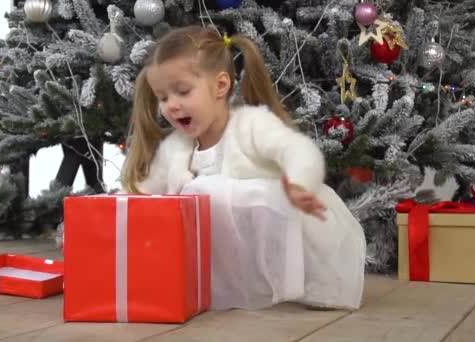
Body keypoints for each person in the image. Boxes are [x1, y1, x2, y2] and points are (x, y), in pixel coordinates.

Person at [121, 25, 366, 310]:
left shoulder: (251, 124)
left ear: (221, 86)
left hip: (291, 237)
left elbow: (298, 150)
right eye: (163, 98)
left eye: (183, 92)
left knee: (202, 191)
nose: (171, 106)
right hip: (233, 261)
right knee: (191, 199)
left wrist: (299, 182)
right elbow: (142, 195)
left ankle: (284, 285)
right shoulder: (177, 148)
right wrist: (99, 222)